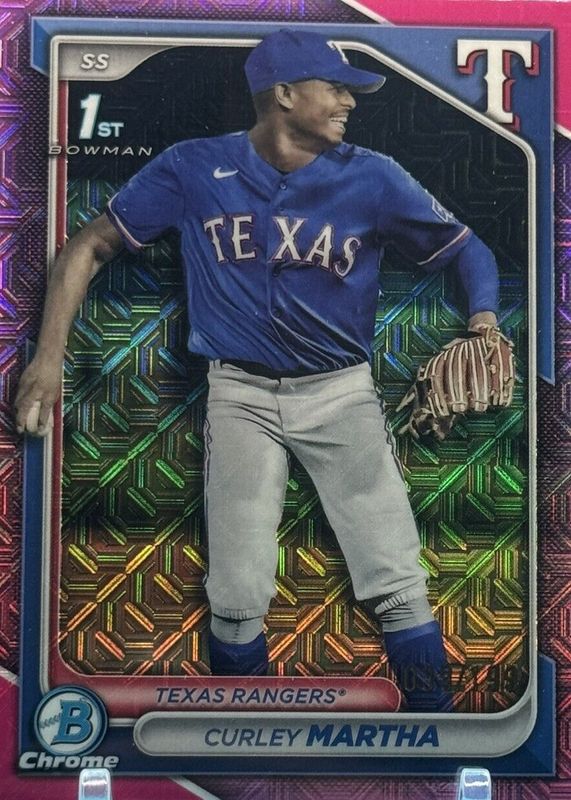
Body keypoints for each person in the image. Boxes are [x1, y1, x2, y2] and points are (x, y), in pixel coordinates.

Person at [14, 29, 501, 711]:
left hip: (340, 396)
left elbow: (468, 250)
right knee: (237, 596)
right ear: (284, 94)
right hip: (238, 396)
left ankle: (437, 733)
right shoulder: (193, 167)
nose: (348, 103)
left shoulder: (373, 175)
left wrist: (483, 321)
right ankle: (245, 735)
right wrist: (47, 356)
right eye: (335, 88)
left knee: (395, 579)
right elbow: (88, 246)